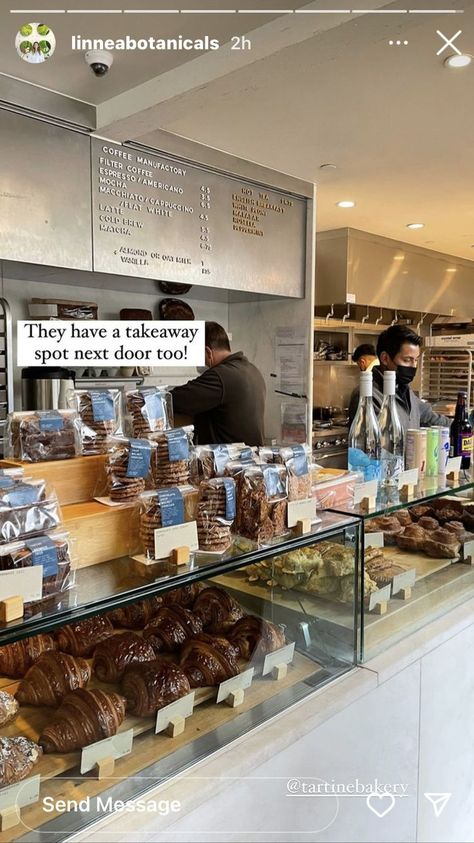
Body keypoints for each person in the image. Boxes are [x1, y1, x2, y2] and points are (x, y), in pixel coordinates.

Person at [171, 321, 266, 445]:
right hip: (249, 459)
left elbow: (175, 399)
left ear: (208, 352)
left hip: (227, 461)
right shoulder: (251, 369)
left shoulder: (220, 376)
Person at [349, 325, 451, 434]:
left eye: (415, 360)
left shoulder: (405, 391)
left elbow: (432, 419)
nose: (413, 366)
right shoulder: (367, 395)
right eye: (407, 360)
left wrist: (461, 425)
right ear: (385, 358)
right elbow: (372, 443)